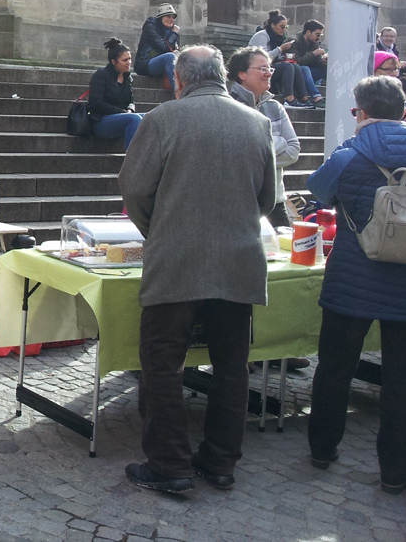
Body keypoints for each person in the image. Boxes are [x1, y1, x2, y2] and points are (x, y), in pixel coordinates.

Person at [118, 46, 276, 493]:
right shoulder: (257, 123)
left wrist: (162, 229)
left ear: (179, 79)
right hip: (239, 260)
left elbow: (133, 189)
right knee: (232, 365)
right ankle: (221, 461)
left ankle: (170, 464)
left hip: (177, 262)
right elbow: (267, 199)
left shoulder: (163, 120)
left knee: (162, 363)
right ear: (224, 76)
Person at [305, 76, 406, 495]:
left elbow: (317, 191)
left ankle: (323, 449)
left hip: (353, 278)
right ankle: (396, 471)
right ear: (403, 110)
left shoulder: (348, 155)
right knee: (403, 381)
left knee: (334, 369)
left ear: (362, 112)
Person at [228, 47, 301, 223]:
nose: (268, 74)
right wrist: (279, 142)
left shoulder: (275, 107)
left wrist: (256, 154)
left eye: (269, 68)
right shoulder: (227, 107)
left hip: (276, 201)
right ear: (242, 74)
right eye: (262, 68)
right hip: (239, 201)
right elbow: (235, 156)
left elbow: (293, 150)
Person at [248, 9, 312, 108]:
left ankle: (304, 98)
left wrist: (285, 56)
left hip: (270, 67)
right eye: (282, 27)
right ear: (273, 25)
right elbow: (263, 58)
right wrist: (280, 49)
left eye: (286, 27)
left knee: (295, 66)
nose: (284, 29)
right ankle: (289, 99)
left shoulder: (279, 37)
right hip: (258, 68)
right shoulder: (262, 36)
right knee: (288, 67)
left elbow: (277, 57)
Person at [88, 38, 143, 150]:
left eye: (130, 59)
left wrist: (129, 110)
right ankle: (133, 163)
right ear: (114, 62)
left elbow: (130, 101)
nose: (128, 63)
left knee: (148, 117)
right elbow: (96, 103)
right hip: (100, 122)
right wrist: (122, 112)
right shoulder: (101, 75)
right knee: (134, 119)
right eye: (124, 60)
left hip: (122, 117)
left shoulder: (128, 78)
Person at [135, 3, 180, 89]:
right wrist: (174, 33)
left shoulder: (171, 30)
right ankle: (179, 93)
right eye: (168, 16)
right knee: (170, 57)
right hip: (145, 63)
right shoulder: (150, 27)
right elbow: (164, 48)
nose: (171, 19)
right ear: (160, 18)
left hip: (163, 64)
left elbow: (173, 48)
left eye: (173, 17)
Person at [289, 19, 328, 106]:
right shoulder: (294, 41)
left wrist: (323, 62)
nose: (319, 38)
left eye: (320, 35)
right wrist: (313, 54)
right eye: (317, 35)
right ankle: (316, 97)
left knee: (327, 70)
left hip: (308, 73)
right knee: (304, 69)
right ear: (308, 32)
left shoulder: (314, 43)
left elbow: (315, 62)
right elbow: (296, 62)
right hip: (294, 73)